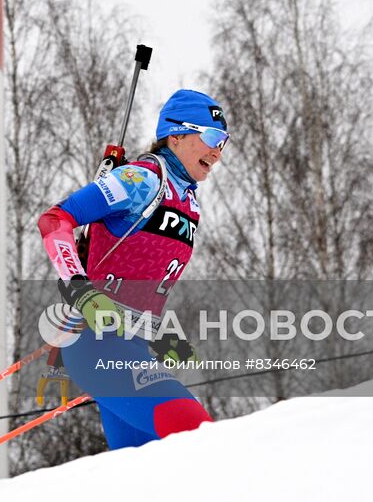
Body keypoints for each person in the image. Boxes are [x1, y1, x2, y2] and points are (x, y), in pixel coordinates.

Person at [35, 88, 228, 449]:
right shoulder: (141, 181)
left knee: (143, 477)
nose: (218, 151)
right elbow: (54, 220)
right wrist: (82, 289)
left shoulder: (188, 201)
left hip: (132, 347)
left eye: (225, 141)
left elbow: (143, 286)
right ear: (177, 135)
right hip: (98, 346)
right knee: (199, 438)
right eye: (212, 137)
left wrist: (162, 336)